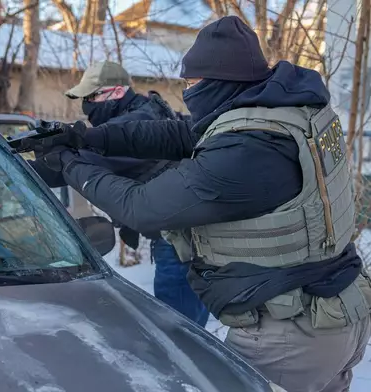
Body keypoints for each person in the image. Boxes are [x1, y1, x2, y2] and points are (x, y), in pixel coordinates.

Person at [22, 16, 371, 392]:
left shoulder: (246, 151)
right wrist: (88, 138)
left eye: (191, 83)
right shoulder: (286, 111)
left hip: (290, 335)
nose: (187, 91)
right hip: (333, 315)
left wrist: (68, 164)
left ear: (220, 82)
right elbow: (177, 133)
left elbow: (140, 207)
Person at [28, 61, 209, 326]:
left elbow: (73, 164)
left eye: (91, 97)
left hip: (179, 242)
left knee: (179, 331)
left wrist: (8, 165)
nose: (86, 105)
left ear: (116, 92)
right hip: (183, 237)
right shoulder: (146, 111)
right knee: (186, 328)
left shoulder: (138, 122)